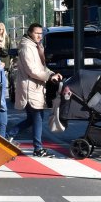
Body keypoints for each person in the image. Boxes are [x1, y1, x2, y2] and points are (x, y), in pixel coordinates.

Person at [8, 23, 62, 157]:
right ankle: (38, 148)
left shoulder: (36, 46)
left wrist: (52, 73)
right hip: (30, 88)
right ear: (30, 33)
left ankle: (8, 135)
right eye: (36, 33)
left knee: (32, 119)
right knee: (37, 117)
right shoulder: (27, 47)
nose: (39, 36)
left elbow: (41, 67)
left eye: (41, 33)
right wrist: (49, 77)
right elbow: (32, 70)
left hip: (35, 87)